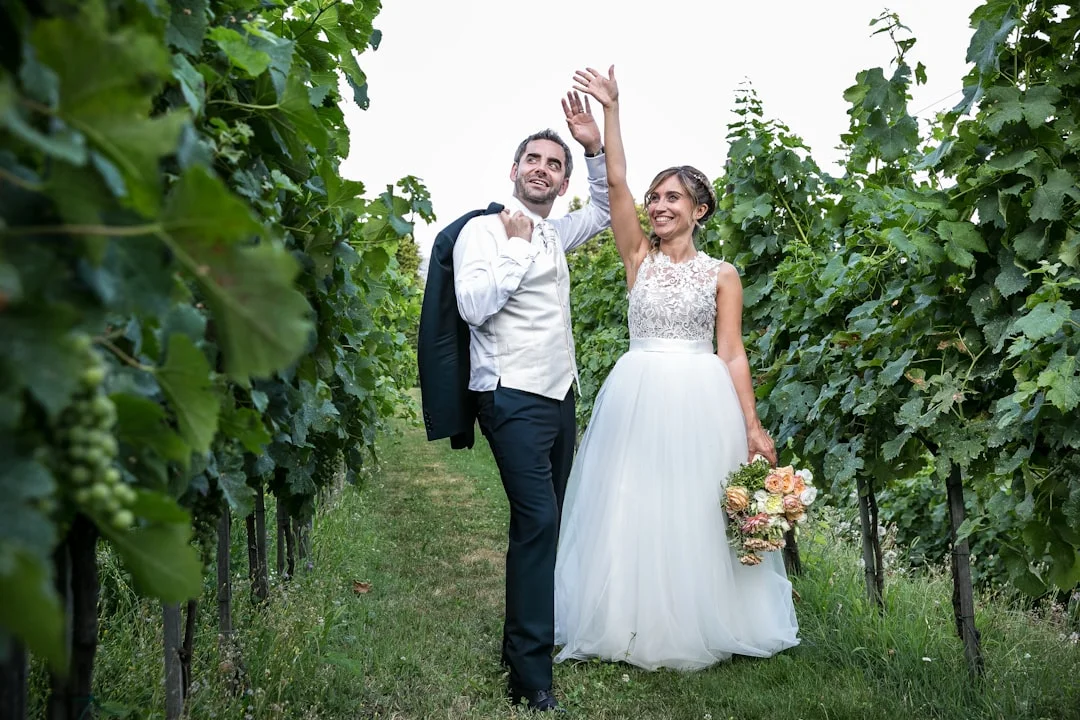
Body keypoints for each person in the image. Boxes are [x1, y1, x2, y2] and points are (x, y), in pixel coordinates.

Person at [553, 66, 799, 671]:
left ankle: (697, 617)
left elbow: (732, 352)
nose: (658, 206)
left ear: (700, 210)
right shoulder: (639, 257)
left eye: (672, 198)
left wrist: (752, 425)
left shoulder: (722, 274)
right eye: (656, 198)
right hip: (637, 390)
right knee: (630, 499)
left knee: (691, 504)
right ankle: (626, 616)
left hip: (699, 396)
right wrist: (611, 113)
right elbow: (616, 182)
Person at [453, 91, 611, 711]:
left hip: (559, 395)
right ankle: (529, 678)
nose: (543, 169)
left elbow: (605, 209)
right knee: (539, 521)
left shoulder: (556, 230)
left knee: (544, 522)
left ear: (562, 181)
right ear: (514, 170)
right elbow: (473, 307)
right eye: (534, 160)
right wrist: (517, 247)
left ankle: (517, 646)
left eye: (555, 163)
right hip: (509, 394)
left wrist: (593, 147)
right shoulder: (482, 231)